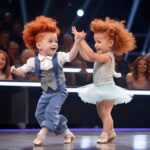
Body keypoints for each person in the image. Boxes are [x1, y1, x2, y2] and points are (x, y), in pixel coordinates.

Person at [11, 16, 80, 146]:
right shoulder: (33, 61)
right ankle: (66, 132)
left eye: (56, 40)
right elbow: (23, 69)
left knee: (51, 112)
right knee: (39, 114)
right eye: (50, 41)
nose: (54, 43)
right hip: (46, 93)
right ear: (39, 45)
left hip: (60, 91)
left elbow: (71, 55)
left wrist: (76, 42)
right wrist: (15, 70)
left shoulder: (59, 57)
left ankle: (41, 135)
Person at [72, 17, 136, 144]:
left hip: (107, 88)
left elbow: (91, 55)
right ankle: (111, 131)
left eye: (99, 42)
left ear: (110, 43)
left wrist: (83, 41)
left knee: (106, 113)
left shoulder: (107, 56)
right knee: (101, 113)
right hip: (98, 87)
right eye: (95, 42)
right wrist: (79, 43)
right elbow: (87, 57)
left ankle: (105, 133)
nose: (96, 45)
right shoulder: (100, 55)